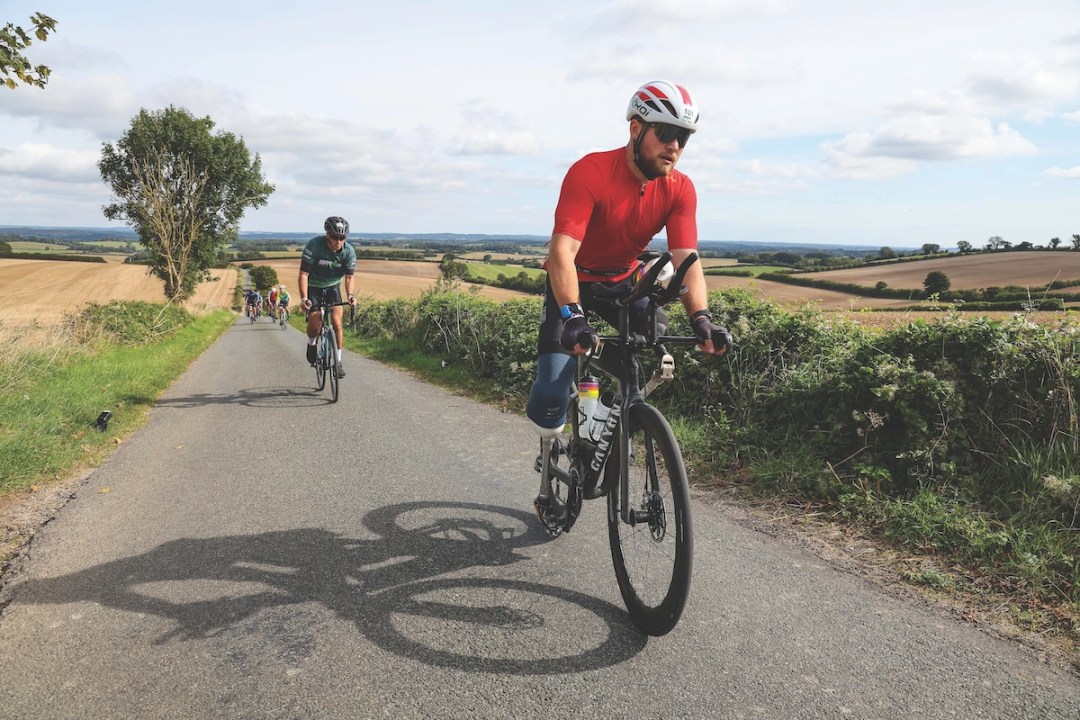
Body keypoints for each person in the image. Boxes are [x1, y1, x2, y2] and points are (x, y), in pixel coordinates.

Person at [525, 80, 733, 527]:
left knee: (645, 361)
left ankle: (611, 416)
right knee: (549, 390)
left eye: (684, 138)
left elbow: (687, 262)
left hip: (623, 283)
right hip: (574, 284)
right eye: (665, 133)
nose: (675, 146)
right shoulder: (590, 172)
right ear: (636, 128)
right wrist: (572, 316)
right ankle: (549, 473)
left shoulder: (679, 188)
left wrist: (701, 318)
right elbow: (562, 253)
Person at [298, 216, 357, 378]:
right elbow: (303, 274)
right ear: (327, 235)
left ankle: (338, 362)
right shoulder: (315, 245)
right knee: (316, 320)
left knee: (337, 322)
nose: (338, 241)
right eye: (335, 237)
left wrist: (351, 295)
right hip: (314, 286)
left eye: (342, 238)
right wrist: (304, 298)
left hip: (333, 286)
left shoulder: (348, 252)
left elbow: (349, 277)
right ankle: (311, 344)